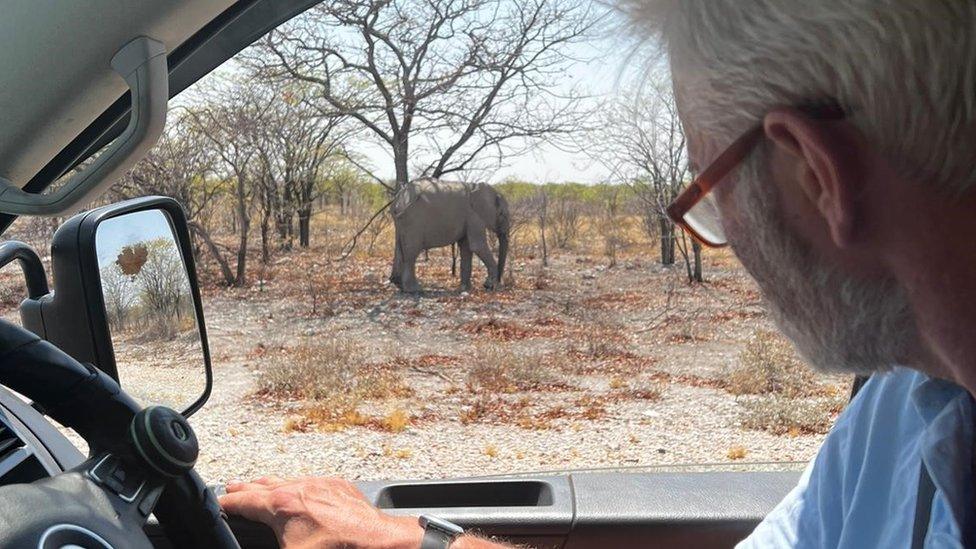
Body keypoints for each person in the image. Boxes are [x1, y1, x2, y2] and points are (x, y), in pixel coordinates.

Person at [219, 1, 976, 547]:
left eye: (708, 194)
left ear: (817, 176)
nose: (721, 239)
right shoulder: (902, 409)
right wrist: (412, 541)